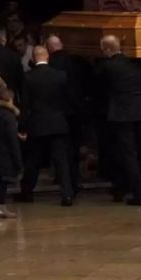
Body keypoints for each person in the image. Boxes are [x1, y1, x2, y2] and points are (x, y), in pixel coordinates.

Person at [98, 35, 141, 206]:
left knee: (127, 154)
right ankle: (121, 188)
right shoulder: (136, 64)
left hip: (121, 115)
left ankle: (139, 193)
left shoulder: (107, 66)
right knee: (131, 152)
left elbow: (98, 87)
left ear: (106, 49)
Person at [18, 46, 74, 206]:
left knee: (33, 160)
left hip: (37, 123)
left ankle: (27, 191)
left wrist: (22, 126)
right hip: (58, 122)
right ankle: (67, 194)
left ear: (34, 58)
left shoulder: (28, 77)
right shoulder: (60, 76)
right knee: (61, 160)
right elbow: (66, 99)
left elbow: (25, 104)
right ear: (47, 57)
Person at [46, 34, 87, 194]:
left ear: (49, 48)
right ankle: (75, 179)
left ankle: (63, 180)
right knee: (74, 148)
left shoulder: (51, 63)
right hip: (76, 110)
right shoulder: (78, 61)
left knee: (60, 149)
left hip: (58, 111)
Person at [0, 86, 23, 219]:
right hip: (5, 154)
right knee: (2, 184)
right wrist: (18, 162)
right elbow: (12, 140)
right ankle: (1, 208)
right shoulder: (8, 116)